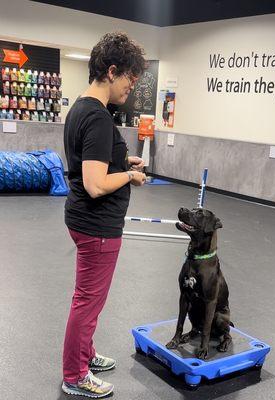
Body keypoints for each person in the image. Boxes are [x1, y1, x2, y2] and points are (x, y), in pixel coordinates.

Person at [62, 32, 147, 398]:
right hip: (97, 227)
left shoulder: (80, 107)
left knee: (88, 300)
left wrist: (121, 160)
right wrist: (129, 175)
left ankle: (86, 354)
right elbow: (95, 184)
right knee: (88, 302)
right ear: (112, 72)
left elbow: (88, 161)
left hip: (84, 221)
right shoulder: (97, 117)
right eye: (129, 81)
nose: (130, 89)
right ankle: (75, 375)